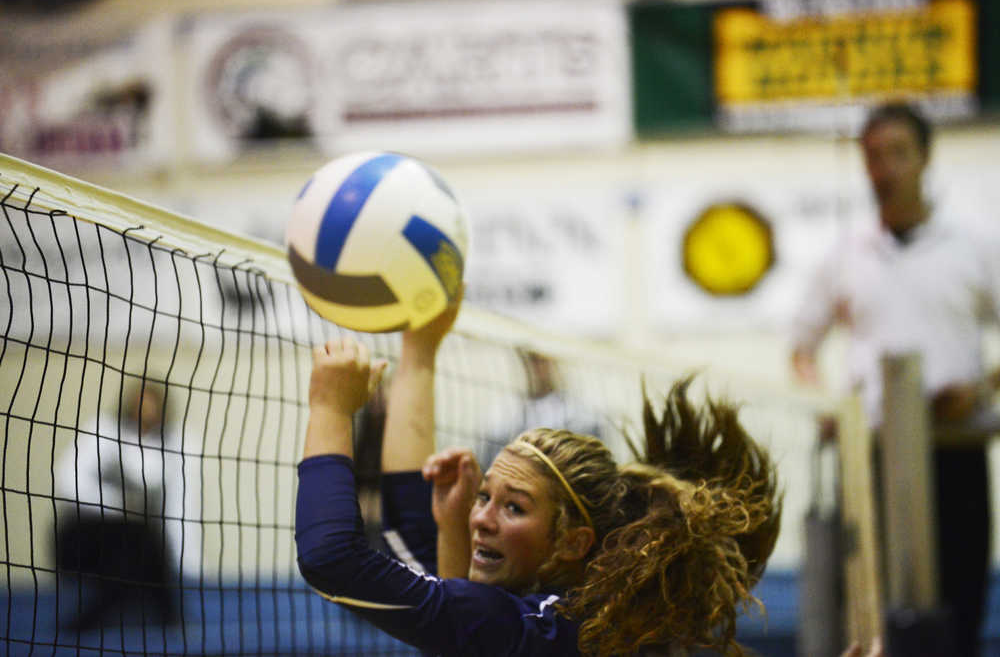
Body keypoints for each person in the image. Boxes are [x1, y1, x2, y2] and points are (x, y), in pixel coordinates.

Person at [295, 292, 782, 656]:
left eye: (514, 507)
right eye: (484, 496)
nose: (482, 517)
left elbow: (332, 558)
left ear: (573, 541)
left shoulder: (531, 627)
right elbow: (411, 528)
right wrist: (419, 349)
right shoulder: (570, 612)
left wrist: (330, 407)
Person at [790, 102, 1000, 655]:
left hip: (955, 450)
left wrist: (980, 390)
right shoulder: (846, 253)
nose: (885, 169)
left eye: (898, 154)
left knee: (961, 607)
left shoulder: (974, 244)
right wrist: (828, 408)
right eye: (873, 156)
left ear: (925, 158)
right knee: (877, 612)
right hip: (874, 459)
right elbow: (801, 349)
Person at [54, 381, 181, 630]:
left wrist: (185, 563)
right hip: (86, 538)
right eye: (140, 402)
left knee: (143, 549)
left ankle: (170, 627)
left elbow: (177, 508)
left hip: (134, 547)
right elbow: (66, 480)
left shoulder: (170, 446)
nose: (145, 410)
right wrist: (119, 503)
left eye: (151, 404)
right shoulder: (104, 431)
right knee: (135, 550)